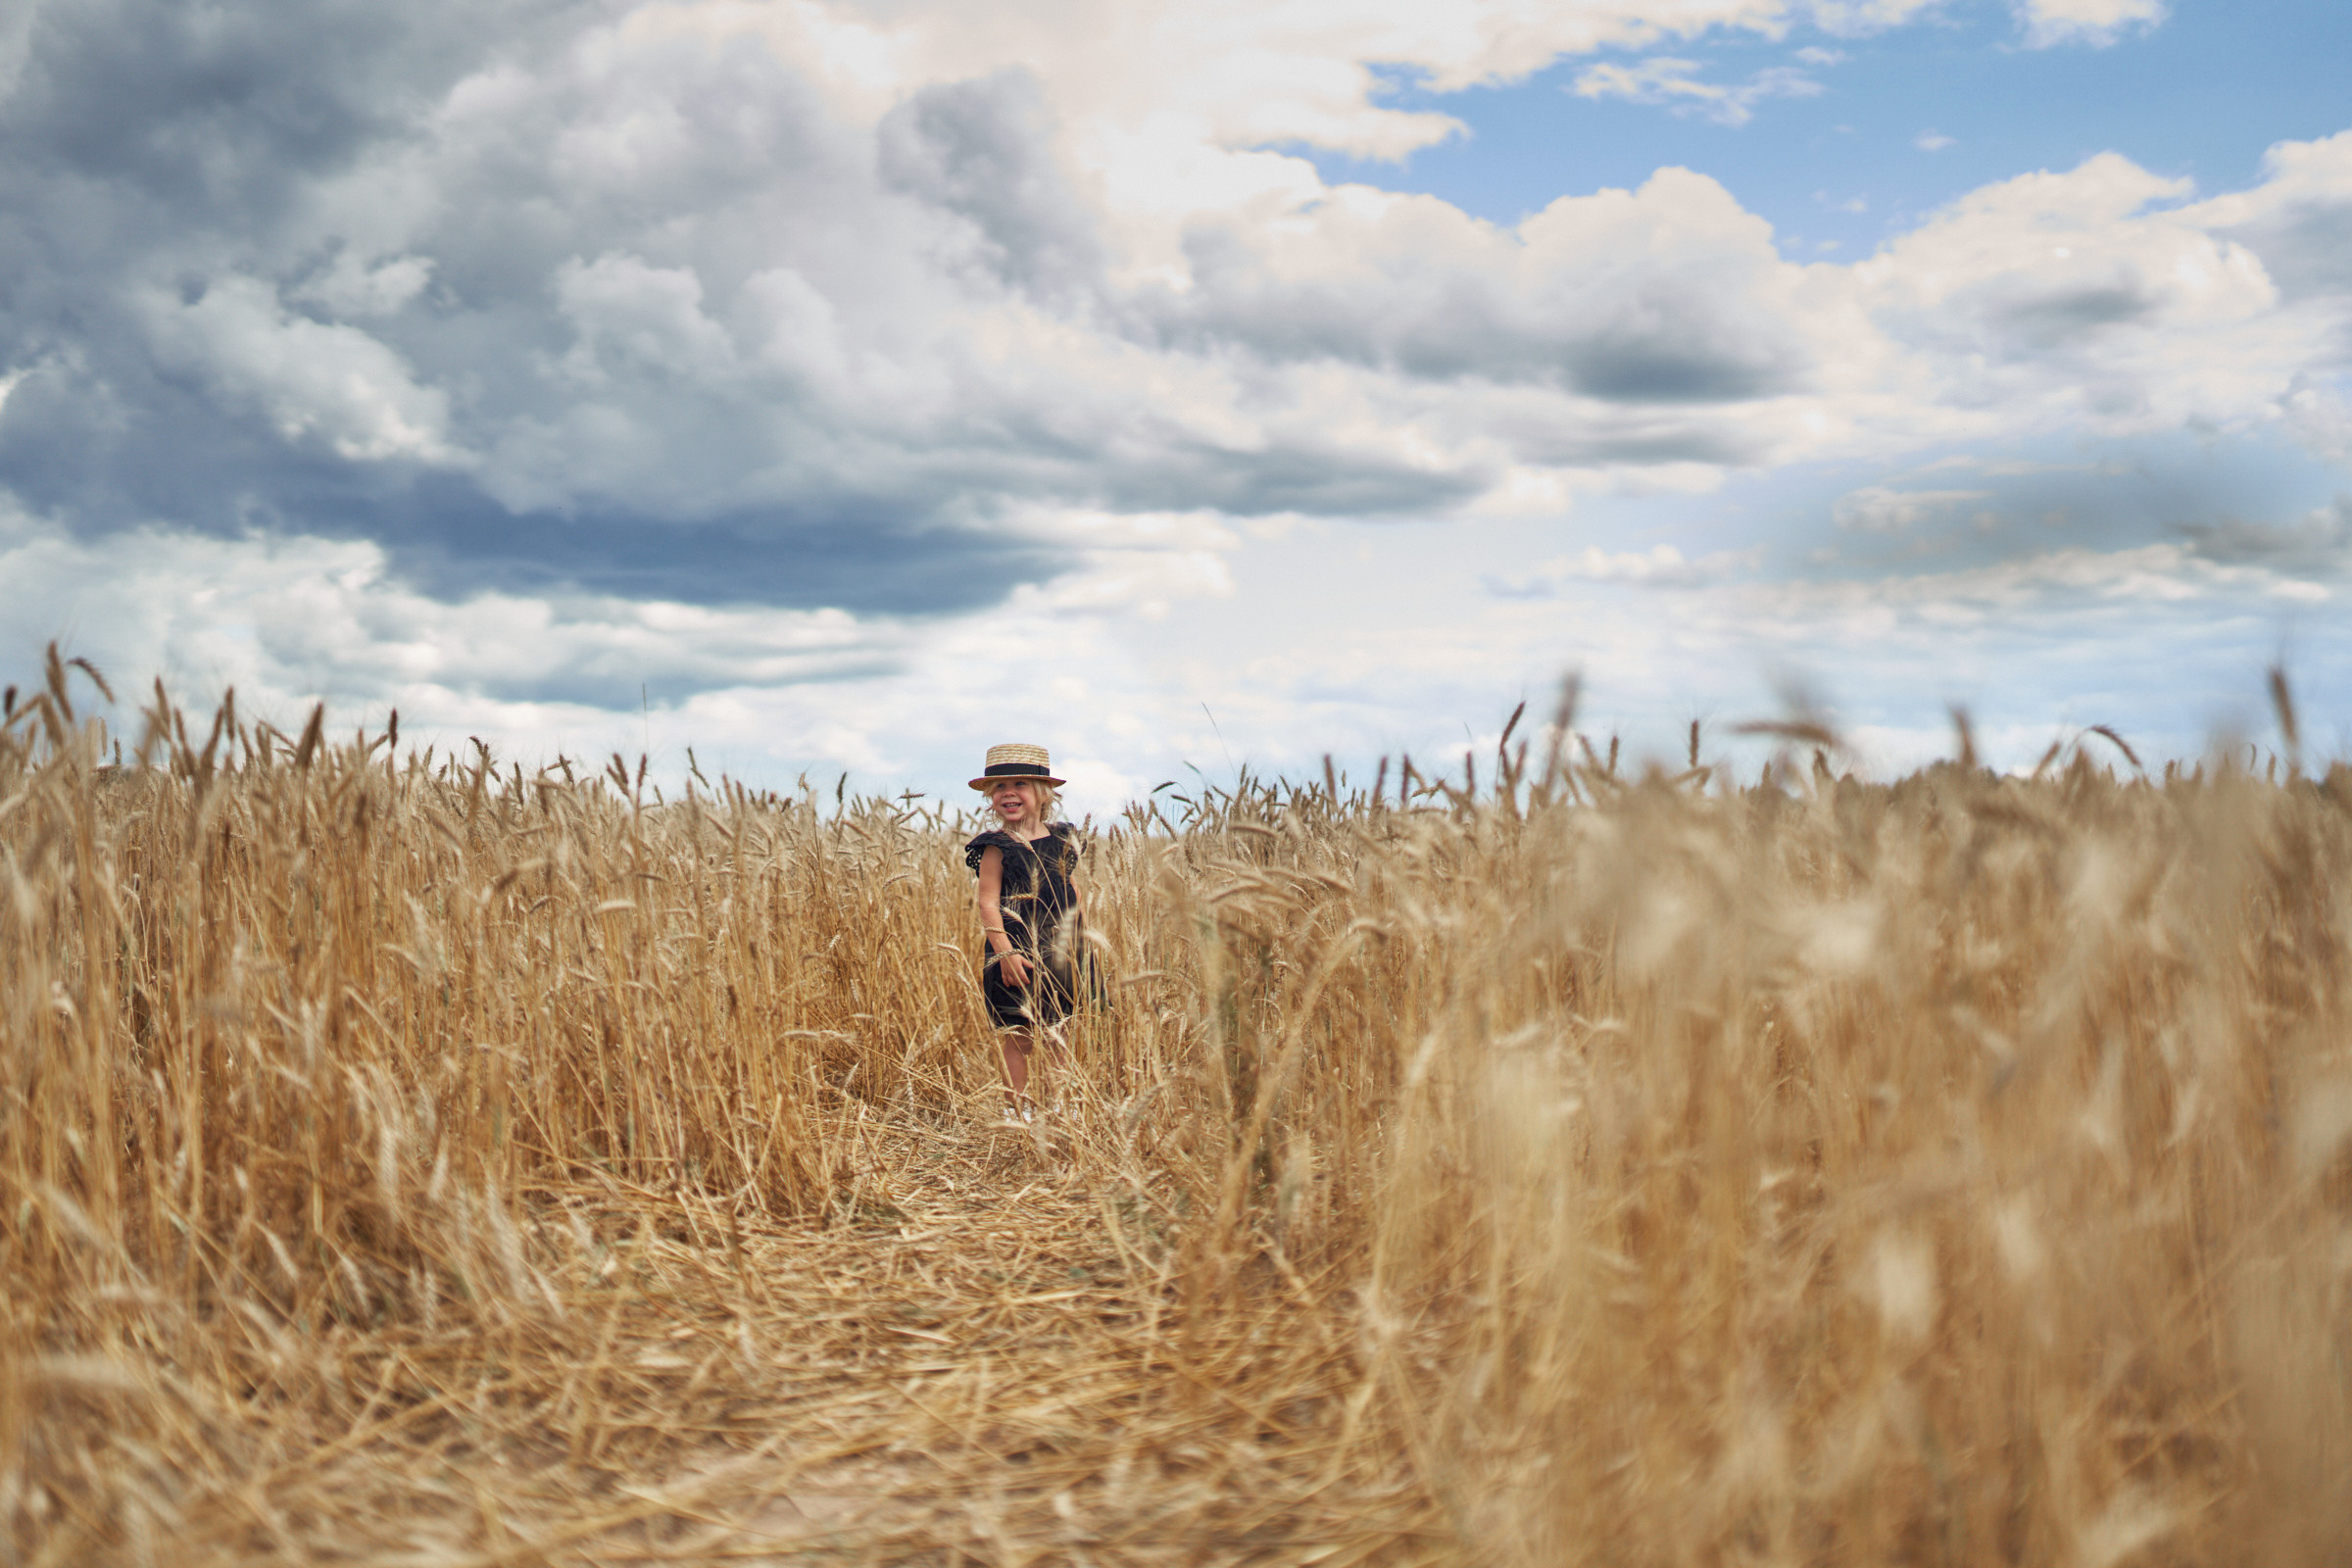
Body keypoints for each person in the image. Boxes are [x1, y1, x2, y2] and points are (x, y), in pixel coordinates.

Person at [964, 743, 1089, 1121]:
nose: (1009, 793)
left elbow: (1070, 888)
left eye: (1019, 783)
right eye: (999, 787)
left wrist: (1081, 937)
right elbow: (987, 903)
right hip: (1014, 953)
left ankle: (1058, 1106)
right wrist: (1003, 951)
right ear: (990, 797)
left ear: (1043, 792)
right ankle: (1015, 1109)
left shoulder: (1063, 838)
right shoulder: (996, 847)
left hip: (1060, 949)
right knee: (1017, 1034)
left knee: (1057, 1032)